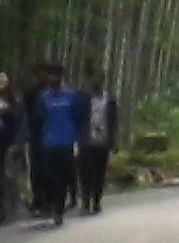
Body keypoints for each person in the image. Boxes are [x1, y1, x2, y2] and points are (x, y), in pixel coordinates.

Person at [29, 64, 82, 226]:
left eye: (55, 76)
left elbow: (77, 116)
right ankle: (49, 204)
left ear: (61, 78)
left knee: (63, 177)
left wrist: (76, 137)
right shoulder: (43, 97)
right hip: (49, 141)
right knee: (49, 176)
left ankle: (58, 210)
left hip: (66, 141)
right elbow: (39, 117)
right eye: (50, 76)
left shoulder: (71, 96)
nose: (52, 79)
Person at [0, 71, 27, 226]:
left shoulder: (15, 99)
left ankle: (11, 208)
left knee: (9, 176)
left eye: (4, 79)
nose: (1, 82)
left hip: (10, 142)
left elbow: (21, 121)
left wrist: (19, 141)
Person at [75, 73, 117, 215]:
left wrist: (113, 140)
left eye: (98, 79)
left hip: (102, 141)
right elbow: (78, 118)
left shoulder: (109, 99)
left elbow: (113, 120)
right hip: (86, 140)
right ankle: (86, 200)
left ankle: (96, 201)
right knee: (85, 171)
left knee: (99, 172)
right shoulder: (83, 98)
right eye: (93, 79)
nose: (95, 82)